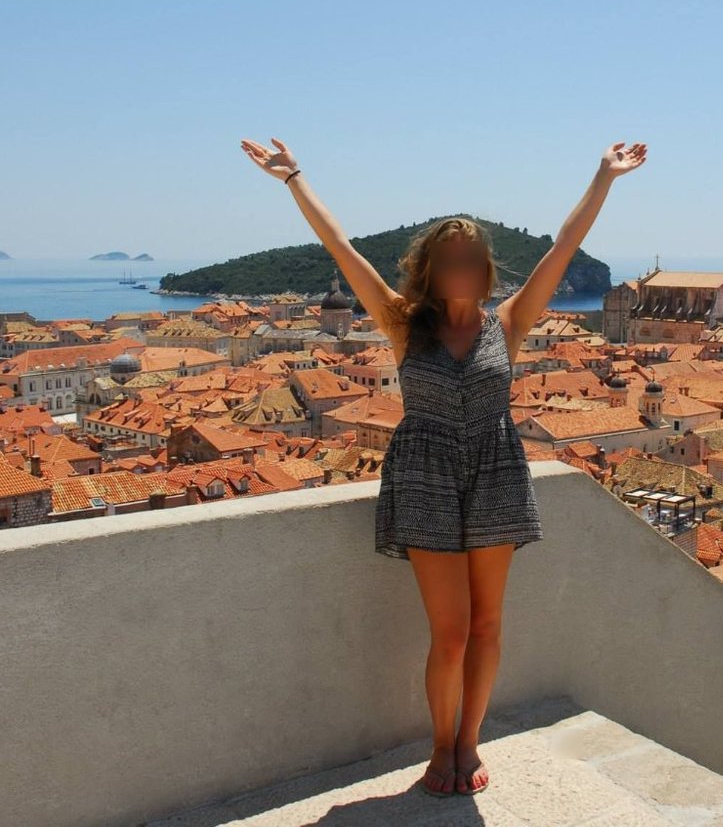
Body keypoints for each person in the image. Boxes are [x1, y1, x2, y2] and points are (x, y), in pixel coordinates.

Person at [240, 134, 646, 797]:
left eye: (471, 259)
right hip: (425, 476)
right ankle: (439, 747)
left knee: (487, 626)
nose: (462, 268)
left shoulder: (508, 323)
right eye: (450, 259)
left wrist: (604, 176)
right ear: (429, 269)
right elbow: (342, 249)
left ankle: (469, 742)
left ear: (485, 270)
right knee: (451, 633)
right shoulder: (404, 323)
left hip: (496, 473)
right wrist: (294, 178)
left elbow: (563, 247)